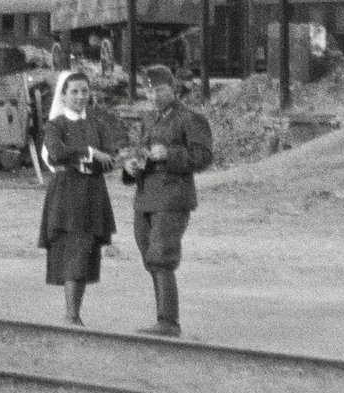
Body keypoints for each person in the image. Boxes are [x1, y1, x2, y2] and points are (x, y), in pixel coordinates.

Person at [120, 65, 213, 337]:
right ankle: (162, 319)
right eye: (149, 89)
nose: (153, 95)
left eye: (159, 89)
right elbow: (141, 152)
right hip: (145, 198)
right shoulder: (151, 120)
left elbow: (204, 158)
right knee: (150, 257)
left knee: (161, 257)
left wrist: (170, 155)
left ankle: (168, 322)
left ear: (173, 89)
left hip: (172, 198)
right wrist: (130, 168)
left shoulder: (190, 119)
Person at [38, 70, 121, 325]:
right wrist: (89, 152)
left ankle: (74, 314)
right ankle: (71, 315)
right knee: (73, 249)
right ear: (62, 96)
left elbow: (110, 157)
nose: (80, 96)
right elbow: (56, 152)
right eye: (74, 91)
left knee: (86, 250)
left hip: (93, 193)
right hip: (67, 195)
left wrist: (104, 160)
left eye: (84, 91)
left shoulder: (96, 123)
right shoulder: (55, 125)